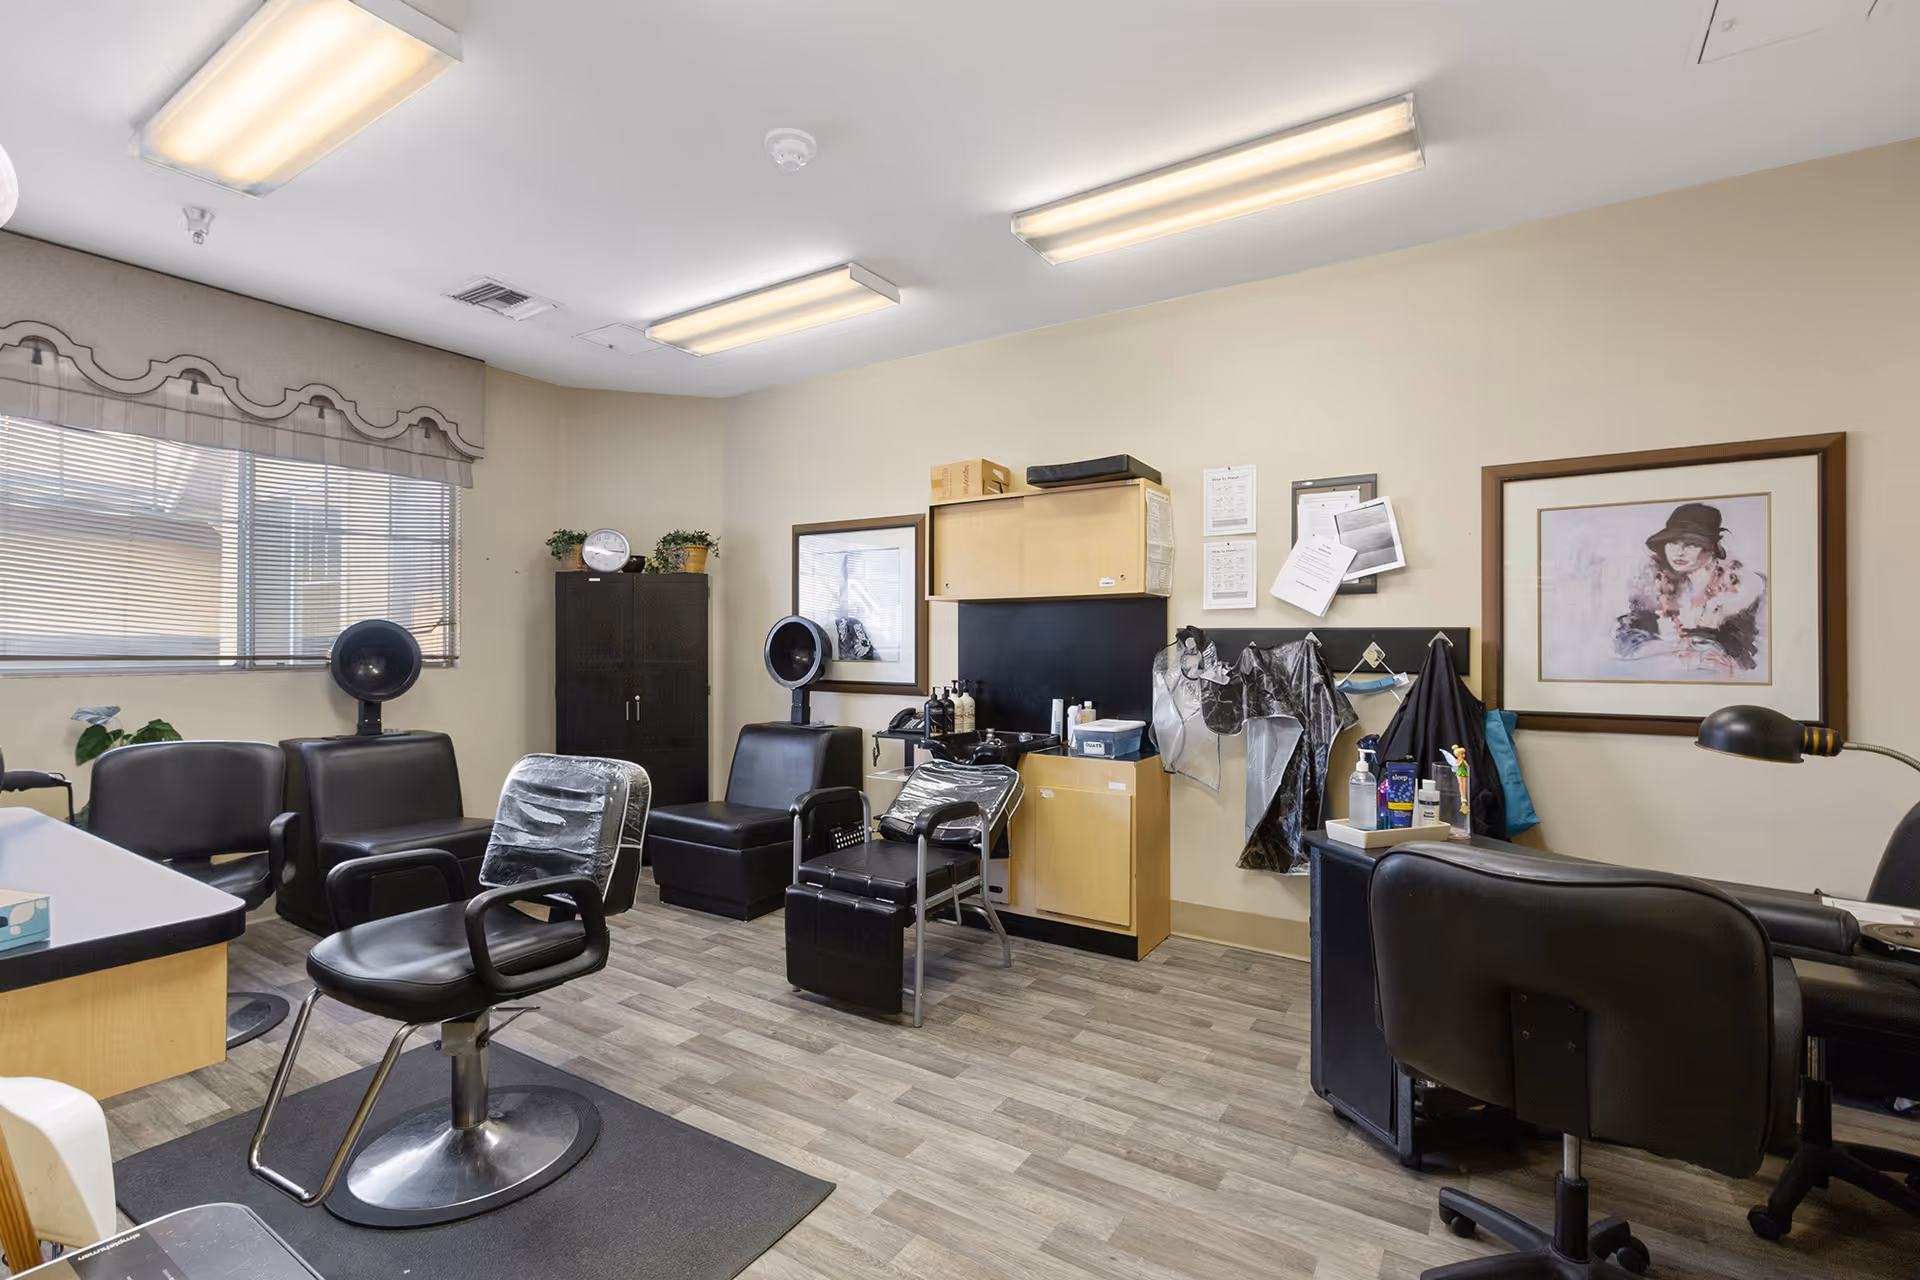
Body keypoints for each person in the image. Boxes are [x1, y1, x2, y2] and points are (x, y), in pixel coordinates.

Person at [1612, 502, 1766, 674]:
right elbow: (1626, 640)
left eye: (1691, 544)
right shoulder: (1654, 584)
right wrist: (1664, 647)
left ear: (1712, 547)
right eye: (1672, 543)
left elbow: (1752, 657)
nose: (1679, 552)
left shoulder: (1741, 587)